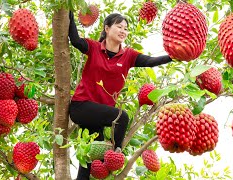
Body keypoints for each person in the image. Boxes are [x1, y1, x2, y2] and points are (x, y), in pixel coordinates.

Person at [68, 11, 172, 180]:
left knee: (90, 163)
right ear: (107, 28)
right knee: (121, 116)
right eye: (119, 26)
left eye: (126, 28)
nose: (123, 30)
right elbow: (75, 40)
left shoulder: (128, 56)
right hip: (81, 107)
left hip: (97, 117)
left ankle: (107, 158)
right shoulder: (94, 48)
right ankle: (116, 153)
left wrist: (173, 56)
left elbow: (150, 61)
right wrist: (69, 14)